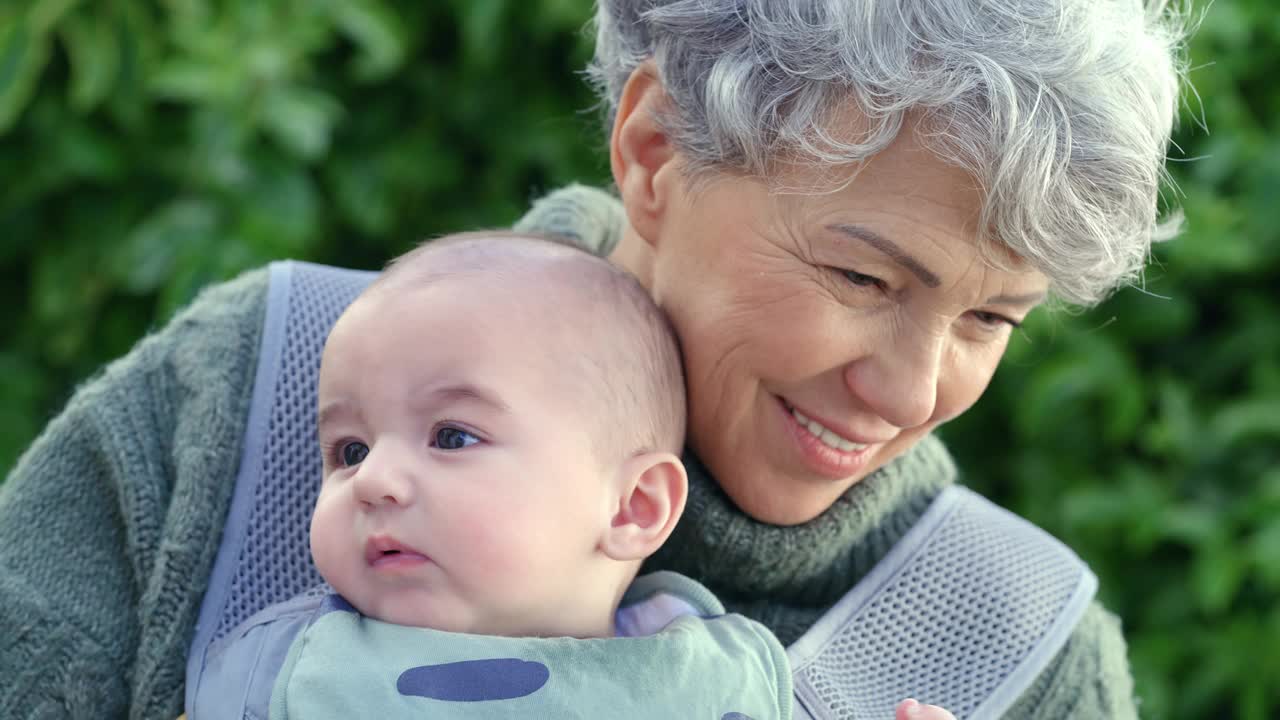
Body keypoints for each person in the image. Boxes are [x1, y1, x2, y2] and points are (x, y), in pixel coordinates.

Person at [0, 1, 1188, 718]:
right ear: (655, 147)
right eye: (864, 280)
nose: (911, 390)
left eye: (993, 320)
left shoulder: (1013, 649)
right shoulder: (250, 403)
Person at [193, 231, 789, 718]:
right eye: (350, 451)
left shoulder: (713, 680)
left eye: (451, 437)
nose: (373, 480)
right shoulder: (293, 674)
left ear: (633, 506)